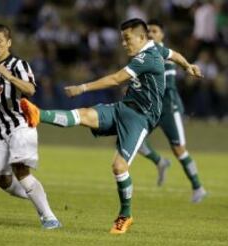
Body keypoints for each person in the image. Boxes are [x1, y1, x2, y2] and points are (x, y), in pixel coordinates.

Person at [20, 18, 202, 234]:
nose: (124, 44)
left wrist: (82, 87)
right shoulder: (157, 50)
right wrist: (188, 65)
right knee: (85, 115)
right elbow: (174, 55)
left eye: (127, 39)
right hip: (123, 108)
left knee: (118, 167)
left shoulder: (147, 57)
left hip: (140, 118)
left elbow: (117, 79)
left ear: (142, 38)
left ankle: (125, 215)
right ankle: (38, 114)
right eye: (122, 39)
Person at [0, 24, 61, 229]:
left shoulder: (18, 65)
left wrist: (9, 76)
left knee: (21, 171)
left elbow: (30, 89)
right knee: (2, 180)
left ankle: (49, 218)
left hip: (20, 126)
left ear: (9, 43)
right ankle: (37, 194)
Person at [138, 20, 207, 203]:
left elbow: (164, 85)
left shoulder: (166, 55)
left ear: (162, 35)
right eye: (148, 31)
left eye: (154, 31)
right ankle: (160, 162)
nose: (151, 34)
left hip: (169, 108)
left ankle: (198, 187)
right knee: (133, 141)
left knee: (179, 150)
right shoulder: (142, 55)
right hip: (152, 108)